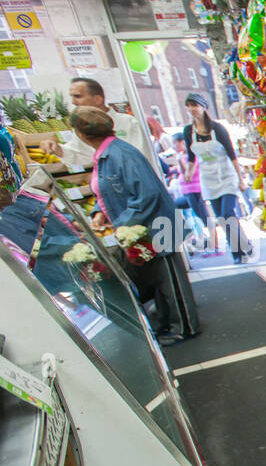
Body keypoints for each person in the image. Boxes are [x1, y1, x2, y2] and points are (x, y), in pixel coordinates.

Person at [71, 105, 200, 343]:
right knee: (160, 283)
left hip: (156, 227)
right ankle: (167, 324)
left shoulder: (121, 154)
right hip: (140, 231)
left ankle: (184, 327)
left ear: (80, 135)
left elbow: (146, 194)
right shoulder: (106, 155)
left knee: (171, 282)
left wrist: (120, 224)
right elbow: (110, 191)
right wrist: (100, 213)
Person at [182, 94, 252, 263]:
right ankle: (245, 244)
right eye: (189, 105)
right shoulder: (188, 131)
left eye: (195, 105)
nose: (192, 109)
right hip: (208, 179)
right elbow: (191, 157)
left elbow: (231, 154)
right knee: (222, 217)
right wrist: (189, 172)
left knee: (227, 213)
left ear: (203, 107)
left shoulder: (217, 129)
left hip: (226, 176)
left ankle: (238, 253)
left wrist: (240, 178)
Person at [38, 77, 151, 170]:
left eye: (78, 96)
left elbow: (142, 160)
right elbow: (81, 155)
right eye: (71, 97)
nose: (73, 102)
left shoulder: (128, 123)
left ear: (97, 99)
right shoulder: (83, 128)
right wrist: (58, 150)